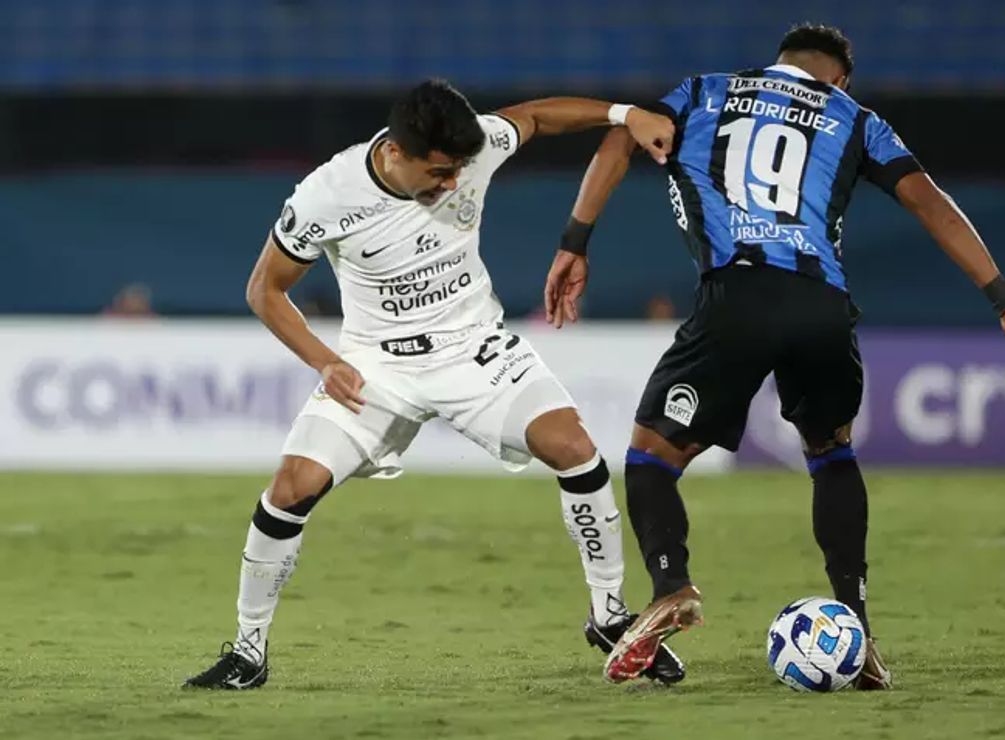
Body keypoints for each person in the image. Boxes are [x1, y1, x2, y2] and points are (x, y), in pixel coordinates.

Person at [544, 23, 1005, 688]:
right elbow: (930, 202)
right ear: (839, 78)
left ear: (779, 62)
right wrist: (1002, 298)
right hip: (823, 305)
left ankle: (673, 587)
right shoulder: (856, 118)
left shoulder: (702, 93)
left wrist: (575, 241)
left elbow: (620, 136)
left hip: (738, 295)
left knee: (652, 458)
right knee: (832, 452)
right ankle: (859, 632)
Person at [184, 80, 684, 689]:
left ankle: (609, 617)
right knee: (291, 489)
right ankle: (248, 653)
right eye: (439, 173)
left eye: (457, 172)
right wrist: (325, 361)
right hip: (376, 367)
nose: (452, 184)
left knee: (576, 451)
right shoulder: (327, 193)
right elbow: (265, 289)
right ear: (396, 152)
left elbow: (533, 117)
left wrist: (624, 113)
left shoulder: (473, 148)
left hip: (473, 350)